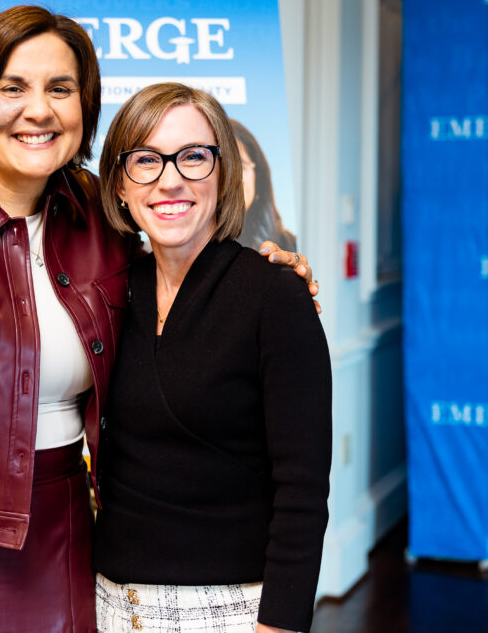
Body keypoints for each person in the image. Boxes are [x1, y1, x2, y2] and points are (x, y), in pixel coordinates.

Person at [0, 6, 316, 633]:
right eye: (13, 87)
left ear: (87, 109)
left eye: (61, 89)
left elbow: (182, 266)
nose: (39, 110)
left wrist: (271, 271)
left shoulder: (98, 221)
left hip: (76, 547)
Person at [93, 83, 331, 633]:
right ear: (120, 184)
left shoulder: (276, 294)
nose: (169, 179)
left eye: (194, 156)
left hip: (232, 610)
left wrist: (280, 624)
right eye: (146, 160)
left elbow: (302, 491)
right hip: (111, 601)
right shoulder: (108, 292)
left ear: (223, 174)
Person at [232, 118, 297, 253]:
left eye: (240, 166)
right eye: (222, 168)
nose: (231, 179)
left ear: (258, 179)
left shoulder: (290, 247)